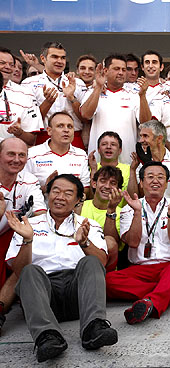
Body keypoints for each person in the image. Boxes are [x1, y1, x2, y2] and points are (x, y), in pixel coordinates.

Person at [5, 174, 117, 362]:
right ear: (47, 194)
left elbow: (101, 262)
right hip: (43, 297)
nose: (60, 197)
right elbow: (19, 270)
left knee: (90, 262)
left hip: (78, 297)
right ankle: (47, 336)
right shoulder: (28, 225)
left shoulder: (88, 224)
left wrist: (84, 243)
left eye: (68, 193)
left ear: (78, 199)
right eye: (55, 191)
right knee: (30, 271)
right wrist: (27, 239)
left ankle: (94, 329)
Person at [106, 162, 170, 324]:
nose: (155, 181)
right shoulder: (128, 209)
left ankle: (151, 302)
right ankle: (167, 291)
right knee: (106, 281)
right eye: (150, 177)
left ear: (166, 183)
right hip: (138, 271)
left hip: (167, 267)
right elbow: (133, 242)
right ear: (141, 183)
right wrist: (137, 213)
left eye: (160, 177)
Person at [0, 138, 46, 333]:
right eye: (11, 154)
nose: (16, 159)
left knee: (28, 260)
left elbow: (41, 213)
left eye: (22, 155)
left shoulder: (29, 178)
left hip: (12, 234)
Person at [81, 54, 152, 164]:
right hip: (98, 161)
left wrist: (142, 96)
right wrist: (99, 87)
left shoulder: (134, 95)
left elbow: (146, 122)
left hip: (127, 160)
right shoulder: (93, 91)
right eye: (116, 69)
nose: (121, 73)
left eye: (124, 70)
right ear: (105, 71)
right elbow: (85, 114)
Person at [21, 42, 87, 148]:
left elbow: (86, 118)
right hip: (43, 137)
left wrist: (71, 98)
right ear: (43, 58)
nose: (59, 61)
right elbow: (29, 121)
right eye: (54, 57)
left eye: (63, 58)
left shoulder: (77, 83)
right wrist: (47, 102)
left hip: (73, 138)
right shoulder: (28, 83)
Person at [24, 112, 91, 198]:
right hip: (40, 209)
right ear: (49, 131)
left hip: (72, 210)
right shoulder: (32, 154)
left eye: (70, 126)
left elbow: (86, 189)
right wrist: (46, 188)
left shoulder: (81, 155)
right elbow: (23, 190)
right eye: (60, 126)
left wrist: (75, 189)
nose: (66, 130)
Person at [77, 166, 124, 272]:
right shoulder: (80, 206)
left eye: (113, 183)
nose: (107, 186)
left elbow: (112, 244)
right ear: (94, 184)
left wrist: (111, 210)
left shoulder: (123, 212)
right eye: (103, 181)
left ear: (118, 189)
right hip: (77, 258)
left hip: (106, 266)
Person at [0, 52, 43, 145]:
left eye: (11, 65)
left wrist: (19, 133)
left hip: (12, 154)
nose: (7, 67)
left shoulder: (26, 94)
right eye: (2, 63)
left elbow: (31, 140)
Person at [88, 131, 131, 199]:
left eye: (113, 144)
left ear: (120, 150)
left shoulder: (129, 169)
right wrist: (93, 169)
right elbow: (90, 198)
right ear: (98, 150)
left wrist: (133, 170)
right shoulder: (89, 168)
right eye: (104, 144)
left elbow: (133, 197)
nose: (108, 147)